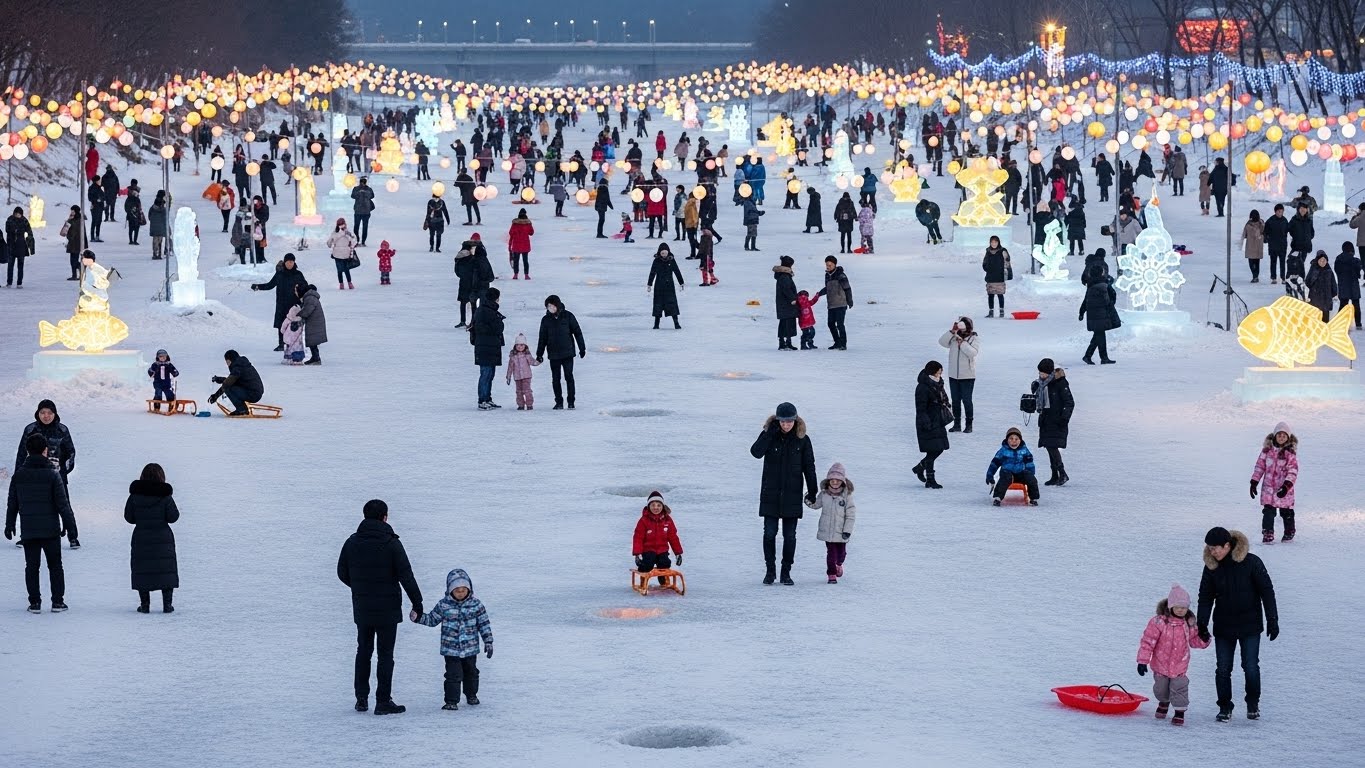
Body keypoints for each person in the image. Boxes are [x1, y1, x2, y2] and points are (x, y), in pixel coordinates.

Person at [338, 499, 423, 716]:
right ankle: (383, 701)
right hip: (388, 609)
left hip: (363, 607)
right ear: (385, 517)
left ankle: (361, 699)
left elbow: (342, 572)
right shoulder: (391, 543)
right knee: (385, 654)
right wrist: (417, 602)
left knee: (363, 651)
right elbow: (406, 575)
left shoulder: (352, 542)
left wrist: (359, 587)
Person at [1197, 526, 1278, 722]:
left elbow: (1266, 591)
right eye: (1209, 548)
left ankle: (1253, 704)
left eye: (1215, 548)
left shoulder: (1251, 562)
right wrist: (1202, 624)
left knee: (1250, 666)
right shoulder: (1211, 567)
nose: (1212, 552)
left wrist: (1272, 619)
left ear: (1227, 545)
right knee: (1223, 668)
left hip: (1250, 625)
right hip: (1224, 625)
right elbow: (1205, 597)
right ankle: (1225, 707)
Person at [748, 402, 817, 585]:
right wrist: (769, 434)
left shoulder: (803, 439)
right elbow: (755, 452)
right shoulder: (769, 435)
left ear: (795, 421)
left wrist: (812, 490)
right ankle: (770, 571)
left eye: (789, 421)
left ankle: (786, 572)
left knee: (790, 536)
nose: (786, 425)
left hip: (792, 495)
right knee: (769, 534)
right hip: (770, 495)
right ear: (777, 421)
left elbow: (809, 466)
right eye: (782, 421)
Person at [6, 434, 76, 612]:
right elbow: (63, 504)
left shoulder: (19, 475)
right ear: (45, 450)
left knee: (32, 566)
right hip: (50, 530)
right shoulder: (52, 475)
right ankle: (58, 602)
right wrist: (71, 528)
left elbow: (12, 502)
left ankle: (35, 602)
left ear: (27, 451)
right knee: (55, 566)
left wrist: (10, 524)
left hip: (29, 529)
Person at [412, 568, 492, 711]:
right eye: (457, 590)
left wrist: (488, 641)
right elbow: (432, 619)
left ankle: (471, 694)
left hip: (470, 649)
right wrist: (418, 618)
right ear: (450, 590)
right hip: (451, 650)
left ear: (469, 589)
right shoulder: (444, 605)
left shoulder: (476, 605)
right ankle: (451, 701)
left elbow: (484, 624)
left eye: (463, 589)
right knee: (453, 675)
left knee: (471, 673)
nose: (460, 593)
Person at [1136, 583, 1210, 726]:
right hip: (1160, 664)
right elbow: (1148, 641)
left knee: (1180, 688)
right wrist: (1142, 661)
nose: (1182, 610)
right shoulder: (1159, 622)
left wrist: (1204, 638)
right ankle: (1164, 702)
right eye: (1179, 607)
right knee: (1161, 688)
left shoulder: (1189, 623)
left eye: (1185, 607)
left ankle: (1179, 712)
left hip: (1179, 665)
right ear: (1171, 606)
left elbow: (1194, 641)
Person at [14, 399, 79, 549]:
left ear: (55, 414)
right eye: (42, 412)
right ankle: (26, 536)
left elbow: (71, 453)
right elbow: (21, 454)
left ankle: (73, 536)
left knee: (64, 506)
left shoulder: (62, 430)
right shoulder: (30, 430)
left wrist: (63, 470)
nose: (46, 416)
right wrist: (20, 475)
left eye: (49, 413)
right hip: (33, 476)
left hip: (57, 476)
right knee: (31, 507)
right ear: (37, 414)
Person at [123, 463, 180, 614]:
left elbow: (129, 517)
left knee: (143, 570)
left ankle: (145, 605)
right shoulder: (165, 496)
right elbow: (173, 517)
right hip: (163, 538)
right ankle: (167, 605)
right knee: (166, 570)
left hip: (141, 537)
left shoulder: (135, 496)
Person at [805, 462, 855, 584]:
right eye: (832, 480)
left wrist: (847, 531)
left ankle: (839, 564)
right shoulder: (824, 494)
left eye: (838, 480)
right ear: (828, 481)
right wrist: (808, 500)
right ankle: (831, 574)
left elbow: (850, 515)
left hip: (841, 531)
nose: (835, 483)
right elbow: (816, 505)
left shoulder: (846, 497)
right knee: (831, 553)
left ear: (842, 481)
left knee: (841, 554)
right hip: (827, 530)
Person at [1250, 421, 1298, 544]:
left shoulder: (1289, 454)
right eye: (1279, 435)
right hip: (1269, 490)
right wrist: (1254, 482)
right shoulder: (1267, 451)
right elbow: (1260, 466)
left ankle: (1289, 532)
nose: (1281, 437)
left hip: (1284, 489)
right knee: (1268, 512)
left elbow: (1293, 471)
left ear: (1288, 438)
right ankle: (1268, 533)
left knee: (1286, 512)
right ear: (1275, 436)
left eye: (1284, 435)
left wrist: (1286, 486)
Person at [536, 295, 586, 409]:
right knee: (555, 379)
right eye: (548, 306)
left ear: (557, 305)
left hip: (567, 353)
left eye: (552, 306)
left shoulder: (568, 316)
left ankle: (571, 401)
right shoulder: (546, 320)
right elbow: (542, 338)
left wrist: (582, 348)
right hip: (553, 354)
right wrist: (539, 354)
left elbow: (577, 332)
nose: (550, 308)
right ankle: (559, 401)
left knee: (569, 377)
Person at [251, 254, 308, 351]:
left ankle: (294, 343)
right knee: (281, 324)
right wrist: (258, 286)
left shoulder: (298, 274)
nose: (290, 264)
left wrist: (306, 296)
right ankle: (281, 344)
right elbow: (270, 285)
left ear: (294, 262)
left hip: (294, 304)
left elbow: (305, 287)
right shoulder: (280, 274)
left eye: (291, 262)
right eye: (288, 262)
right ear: (284, 263)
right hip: (281, 304)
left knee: (294, 324)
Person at [1031, 358, 1073, 486]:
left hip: (1057, 420)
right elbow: (1038, 398)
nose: (1041, 375)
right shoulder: (1041, 383)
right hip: (1045, 419)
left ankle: (1062, 473)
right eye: (1039, 373)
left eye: (1043, 373)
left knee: (1052, 446)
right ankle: (1055, 475)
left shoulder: (1060, 383)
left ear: (1050, 372)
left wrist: (1064, 418)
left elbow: (1069, 402)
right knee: (1049, 446)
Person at [913, 361, 951, 490]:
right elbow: (920, 408)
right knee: (933, 449)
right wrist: (926, 422)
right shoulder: (923, 387)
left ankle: (920, 467)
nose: (940, 374)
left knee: (939, 448)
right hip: (928, 421)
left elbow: (943, 399)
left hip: (938, 420)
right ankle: (930, 479)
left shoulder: (938, 383)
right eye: (938, 371)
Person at [939, 317, 979, 433]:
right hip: (953, 375)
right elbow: (942, 342)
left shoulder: (973, 338)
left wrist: (963, 343)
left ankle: (969, 425)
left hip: (967, 375)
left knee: (967, 400)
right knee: (955, 400)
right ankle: (956, 424)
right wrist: (951, 332)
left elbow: (973, 353)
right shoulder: (953, 337)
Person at [633, 490, 684, 579]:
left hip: (662, 550)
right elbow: (638, 537)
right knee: (648, 563)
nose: (656, 507)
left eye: (658, 505)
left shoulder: (667, 520)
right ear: (649, 507)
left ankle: (663, 580)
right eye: (653, 505)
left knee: (665, 564)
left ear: (663, 507)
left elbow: (673, 537)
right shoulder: (643, 521)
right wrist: (637, 554)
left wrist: (678, 553)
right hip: (648, 550)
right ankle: (643, 576)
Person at [986, 426, 1039, 506]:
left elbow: (1029, 462)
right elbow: (994, 464)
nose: (1013, 441)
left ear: (1020, 440)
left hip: (1020, 473)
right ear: (1007, 440)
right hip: (1006, 472)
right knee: (1005, 478)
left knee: (1031, 479)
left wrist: (1031, 474)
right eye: (1011, 439)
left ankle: (1033, 498)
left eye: (1016, 439)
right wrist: (989, 476)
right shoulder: (1003, 451)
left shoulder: (1024, 450)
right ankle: (998, 498)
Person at [471, 286, 505, 410]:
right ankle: (482, 400)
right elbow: (482, 328)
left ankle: (487, 398)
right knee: (485, 374)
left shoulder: (488, 309)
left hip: (490, 346)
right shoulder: (485, 311)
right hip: (485, 346)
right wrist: (497, 326)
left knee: (490, 374)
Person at [1079, 265, 1120, 364]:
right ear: (1101, 272)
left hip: (1093, 314)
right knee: (1099, 335)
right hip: (1103, 313)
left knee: (1098, 334)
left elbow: (1085, 300)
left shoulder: (1091, 284)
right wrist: (1111, 304)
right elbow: (1112, 295)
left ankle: (1089, 356)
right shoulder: (1105, 283)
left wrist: (1081, 312)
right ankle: (1102, 358)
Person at [208, 350, 265, 415]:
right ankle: (242, 409)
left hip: (253, 394)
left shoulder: (237, 367)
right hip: (257, 392)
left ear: (230, 360)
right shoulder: (242, 364)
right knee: (230, 386)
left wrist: (216, 395)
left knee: (228, 388)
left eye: (227, 361)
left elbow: (227, 384)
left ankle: (242, 410)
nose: (227, 364)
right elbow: (233, 381)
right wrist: (220, 380)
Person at [815, 255, 852, 350]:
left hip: (841, 303)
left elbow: (847, 288)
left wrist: (849, 300)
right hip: (831, 304)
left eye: (830, 265)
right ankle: (837, 342)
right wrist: (819, 293)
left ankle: (843, 344)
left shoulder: (841, 275)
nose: (828, 267)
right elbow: (828, 288)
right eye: (827, 265)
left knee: (840, 324)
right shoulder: (827, 275)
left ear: (835, 264)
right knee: (830, 324)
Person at [647, 243, 685, 329]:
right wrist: (649, 284)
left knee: (672, 304)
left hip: (669, 287)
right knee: (658, 305)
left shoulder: (671, 260)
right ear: (659, 253)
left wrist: (681, 282)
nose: (664, 255)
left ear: (668, 252)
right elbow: (652, 273)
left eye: (665, 253)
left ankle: (676, 323)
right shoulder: (656, 261)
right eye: (662, 253)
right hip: (659, 286)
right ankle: (656, 324)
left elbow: (677, 271)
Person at [504, 332, 541, 410]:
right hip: (517, 377)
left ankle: (529, 404)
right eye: (517, 345)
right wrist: (508, 376)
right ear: (515, 346)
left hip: (526, 376)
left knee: (527, 391)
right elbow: (510, 367)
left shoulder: (527, 355)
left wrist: (538, 361)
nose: (519, 347)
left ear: (525, 346)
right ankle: (520, 405)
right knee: (519, 392)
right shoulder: (513, 356)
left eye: (522, 345)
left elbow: (532, 362)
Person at [296, 284, 329, 365]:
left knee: (312, 341)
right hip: (314, 321)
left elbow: (307, 310)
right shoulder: (309, 297)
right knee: (312, 342)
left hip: (314, 322)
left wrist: (299, 315)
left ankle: (316, 358)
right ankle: (315, 357)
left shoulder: (310, 298)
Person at [772, 255, 799, 350]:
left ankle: (783, 342)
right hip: (787, 304)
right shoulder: (785, 276)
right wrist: (793, 299)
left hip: (783, 304)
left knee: (784, 323)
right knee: (788, 323)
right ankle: (786, 343)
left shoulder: (782, 275)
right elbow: (786, 289)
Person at [1334, 242, 1363, 329]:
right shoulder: (1356, 261)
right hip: (1354, 286)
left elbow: (1337, 271)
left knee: (1343, 305)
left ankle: (1339, 324)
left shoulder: (1338, 260)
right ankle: (1358, 324)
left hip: (1343, 286)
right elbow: (1359, 274)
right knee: (1356, 306)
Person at [981, 236, 1011, 317]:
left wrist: (1004, 269)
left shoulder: (1002, 251)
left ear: (998, 242)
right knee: (990, 295)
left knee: (1000, 294)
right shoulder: (988, 251)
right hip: (990, 276)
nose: (994, 244)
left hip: (999, 276)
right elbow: (984, 262)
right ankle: (991, 312)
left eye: (995, 242)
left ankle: (1001, 311)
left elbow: (1007, 260)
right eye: (992, 242)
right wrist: (987, 268)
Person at [1305, 251, 1337, 322]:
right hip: (1315, 300)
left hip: (1326, 300)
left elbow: (1333, 284)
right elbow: (1308, 282)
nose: (1323, 262)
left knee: (1325, 320)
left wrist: (1332, 294)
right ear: (1317, 260)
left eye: (1324, 260)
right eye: (1321, 260)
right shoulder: (1313, 269)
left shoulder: (1329, 271)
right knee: (1316, 320)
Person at [6, 206, 34, 287]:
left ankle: (19, 283)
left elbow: (29, 231)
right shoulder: (10, 219)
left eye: (19, 214)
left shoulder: (24, 220)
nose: (18, 215)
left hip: (21, 245)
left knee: (20, 266)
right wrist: (14, 231)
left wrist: (30, 243)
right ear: (14, 213)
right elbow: (7, 229)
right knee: (10, 265)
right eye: (16, 214)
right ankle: (9, 283)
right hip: (11, 246)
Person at [327, 218, 358, 290]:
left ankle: (341, 284)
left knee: (339, 270)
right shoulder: (348, 232)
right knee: (346, 269)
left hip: (337, 254)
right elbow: (354, 242)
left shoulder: (334, 233)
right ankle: (350, 283)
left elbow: (329, 243)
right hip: (346, 254)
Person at [1264, 204, 1290, 284]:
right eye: (1279, 211)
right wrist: (1267, 239)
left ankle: (1283, 278)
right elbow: (1265, 232)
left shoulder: (1285, 220)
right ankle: (1273, 278)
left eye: (1282, 211)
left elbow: (1287, 230)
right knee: (1273, 262)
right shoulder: (1270, 220)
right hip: (1273, 245)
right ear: (1275, 211)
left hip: (1282, 245)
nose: (1280, 213)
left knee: (1282, 262)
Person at [1288, 203, 1314, 278]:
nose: (1303, 210)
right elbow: (1289, 229)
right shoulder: (1294, 219)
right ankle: (1294, 276)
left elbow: (1312, 232)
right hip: (1296, 245)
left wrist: (1308, 238)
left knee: (1302, 262)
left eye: (1304, 209)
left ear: (1307, 210)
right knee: (1293, 261)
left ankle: (1300, 278)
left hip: (1306, 246)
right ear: (1298, 209)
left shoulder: (1309, 220)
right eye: (1301, 208)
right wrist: (1296, 236)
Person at [507, 208, 534, 279]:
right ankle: (526, 275)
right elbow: (531, 233)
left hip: (516, 244)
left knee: (516, 260)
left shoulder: (515, 223)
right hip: (525, 244)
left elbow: (511, 233)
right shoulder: (528, 223)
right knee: (525, 260)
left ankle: (515, 275)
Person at [1241, 210, 1264, 283]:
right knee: (1257, 262)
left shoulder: (1248, 225)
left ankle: (1255, 276)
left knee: (1251, 263)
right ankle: (1256, 276)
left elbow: (1244, 235)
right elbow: (1264, 231)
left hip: (1250, 246)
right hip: (1258, 246)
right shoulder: (1261, 224)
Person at [350, 177, 375, 246]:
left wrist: (365, 193)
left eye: (363, 182)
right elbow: (352, 196)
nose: (362, 184)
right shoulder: (356, 189)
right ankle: (357, 240)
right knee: (356, 227)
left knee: (364, 227)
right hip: (358, 211)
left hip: (365, 211)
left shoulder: (369, 189)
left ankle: (363, 241)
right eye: (362, 182)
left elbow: (372, 196)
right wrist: (359, 193)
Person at [147, 191, 168, 260]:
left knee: (155, 241)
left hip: (154, 228)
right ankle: (159, 254)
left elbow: (149, 217)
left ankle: (154, 254)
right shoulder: (164, 210)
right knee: (160, 242)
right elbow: (165, 219)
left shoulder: (152, 209)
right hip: (161, 228)